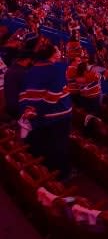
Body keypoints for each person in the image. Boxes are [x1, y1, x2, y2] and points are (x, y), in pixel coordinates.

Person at [19, 40, 73, 179]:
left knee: (47, 144)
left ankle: (47, 172)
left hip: (37, 117)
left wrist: (29, 110)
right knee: (59, 146)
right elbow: (52, 97)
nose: (59, 53)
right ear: (51, 54)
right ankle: (62, 176)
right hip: (57, 116)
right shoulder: (57, 69)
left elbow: (23, 93)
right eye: (56, 51)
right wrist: (39, 112)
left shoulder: (30, 70)